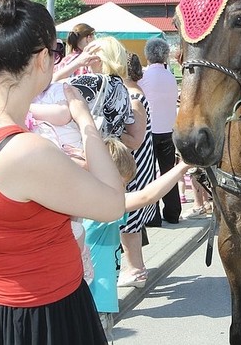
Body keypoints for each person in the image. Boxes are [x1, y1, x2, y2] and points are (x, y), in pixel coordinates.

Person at [0, 0, 124, 344]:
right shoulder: (23, 150)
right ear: (43, 58)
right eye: (55, 53)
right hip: (36, 316)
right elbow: (113, 202)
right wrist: (84, 119)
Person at [85, 137, 191, 342]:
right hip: (95, 306)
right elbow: (146, 197)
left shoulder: (88, 205)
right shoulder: (98, 211)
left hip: (93, 304)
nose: (124, 190)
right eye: (122, 183)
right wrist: (184, 166)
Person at [118, 53, 157, 289]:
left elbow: (135, 139)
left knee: (130, 221)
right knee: (131, 221)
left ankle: (136, 269)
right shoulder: (133, 93)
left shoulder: (133, 97)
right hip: (137, 163)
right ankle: (136, 267)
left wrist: (103, 127)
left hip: (134, 164)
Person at [139, 38, 181, 225]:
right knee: (168, 172)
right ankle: (173, 212)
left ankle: (152, 215)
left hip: (150, 131)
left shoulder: (144, 77)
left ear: (148, 55)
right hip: (168, 131)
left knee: (149, 175)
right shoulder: (171, 77)